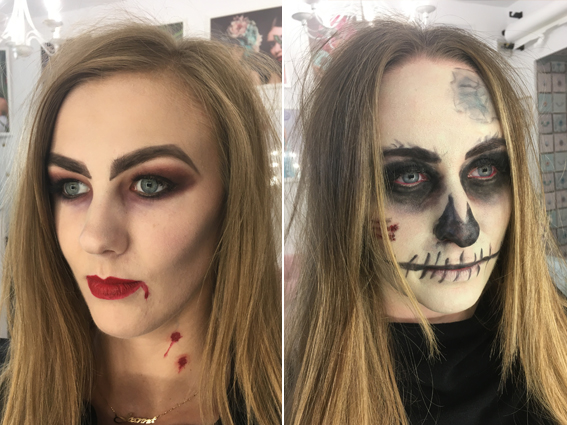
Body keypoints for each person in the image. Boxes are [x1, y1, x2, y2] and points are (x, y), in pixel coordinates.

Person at [285, 18, 567, 425]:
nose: (463, 231)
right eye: (408, 176)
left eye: (485, 169)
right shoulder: (285, 396)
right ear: (342, 197)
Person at [0, 23, 281, 425]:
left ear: (233, 198)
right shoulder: (10, 395)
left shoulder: (298, 399)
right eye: (71, 187)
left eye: (150, 185)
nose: (95, 238)